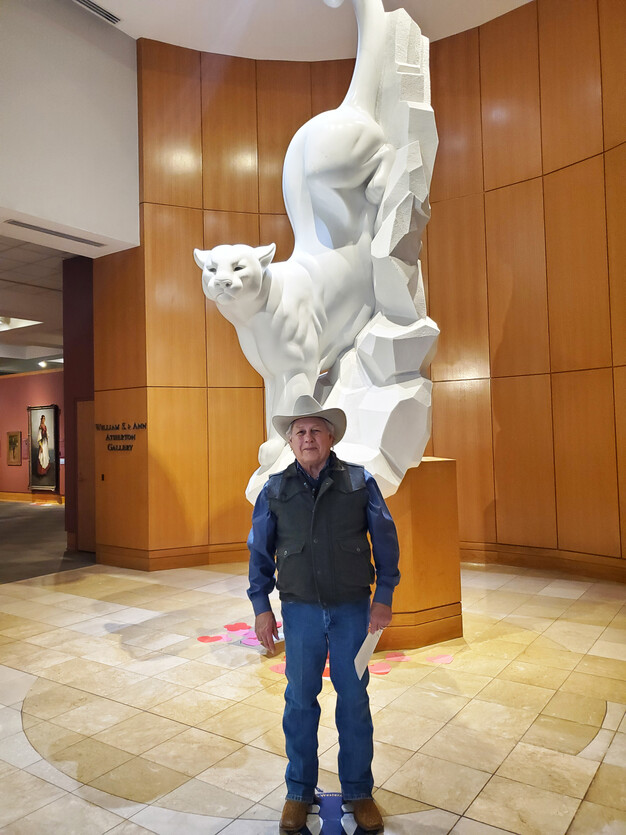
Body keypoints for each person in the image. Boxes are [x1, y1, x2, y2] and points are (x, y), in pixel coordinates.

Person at [247, 395, 400, 834]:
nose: (308, 438)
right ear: (291, 441)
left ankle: (359, 791)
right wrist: (261, 608)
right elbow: (259, 553)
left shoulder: (358, 481)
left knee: (354, 701)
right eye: (300, 432)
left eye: (316, 430)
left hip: (353, 611)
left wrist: (384, 595)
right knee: (299, 702)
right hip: (300, 614)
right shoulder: (275, 489)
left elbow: (385, 540)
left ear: (330, 437)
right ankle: (298, 792)